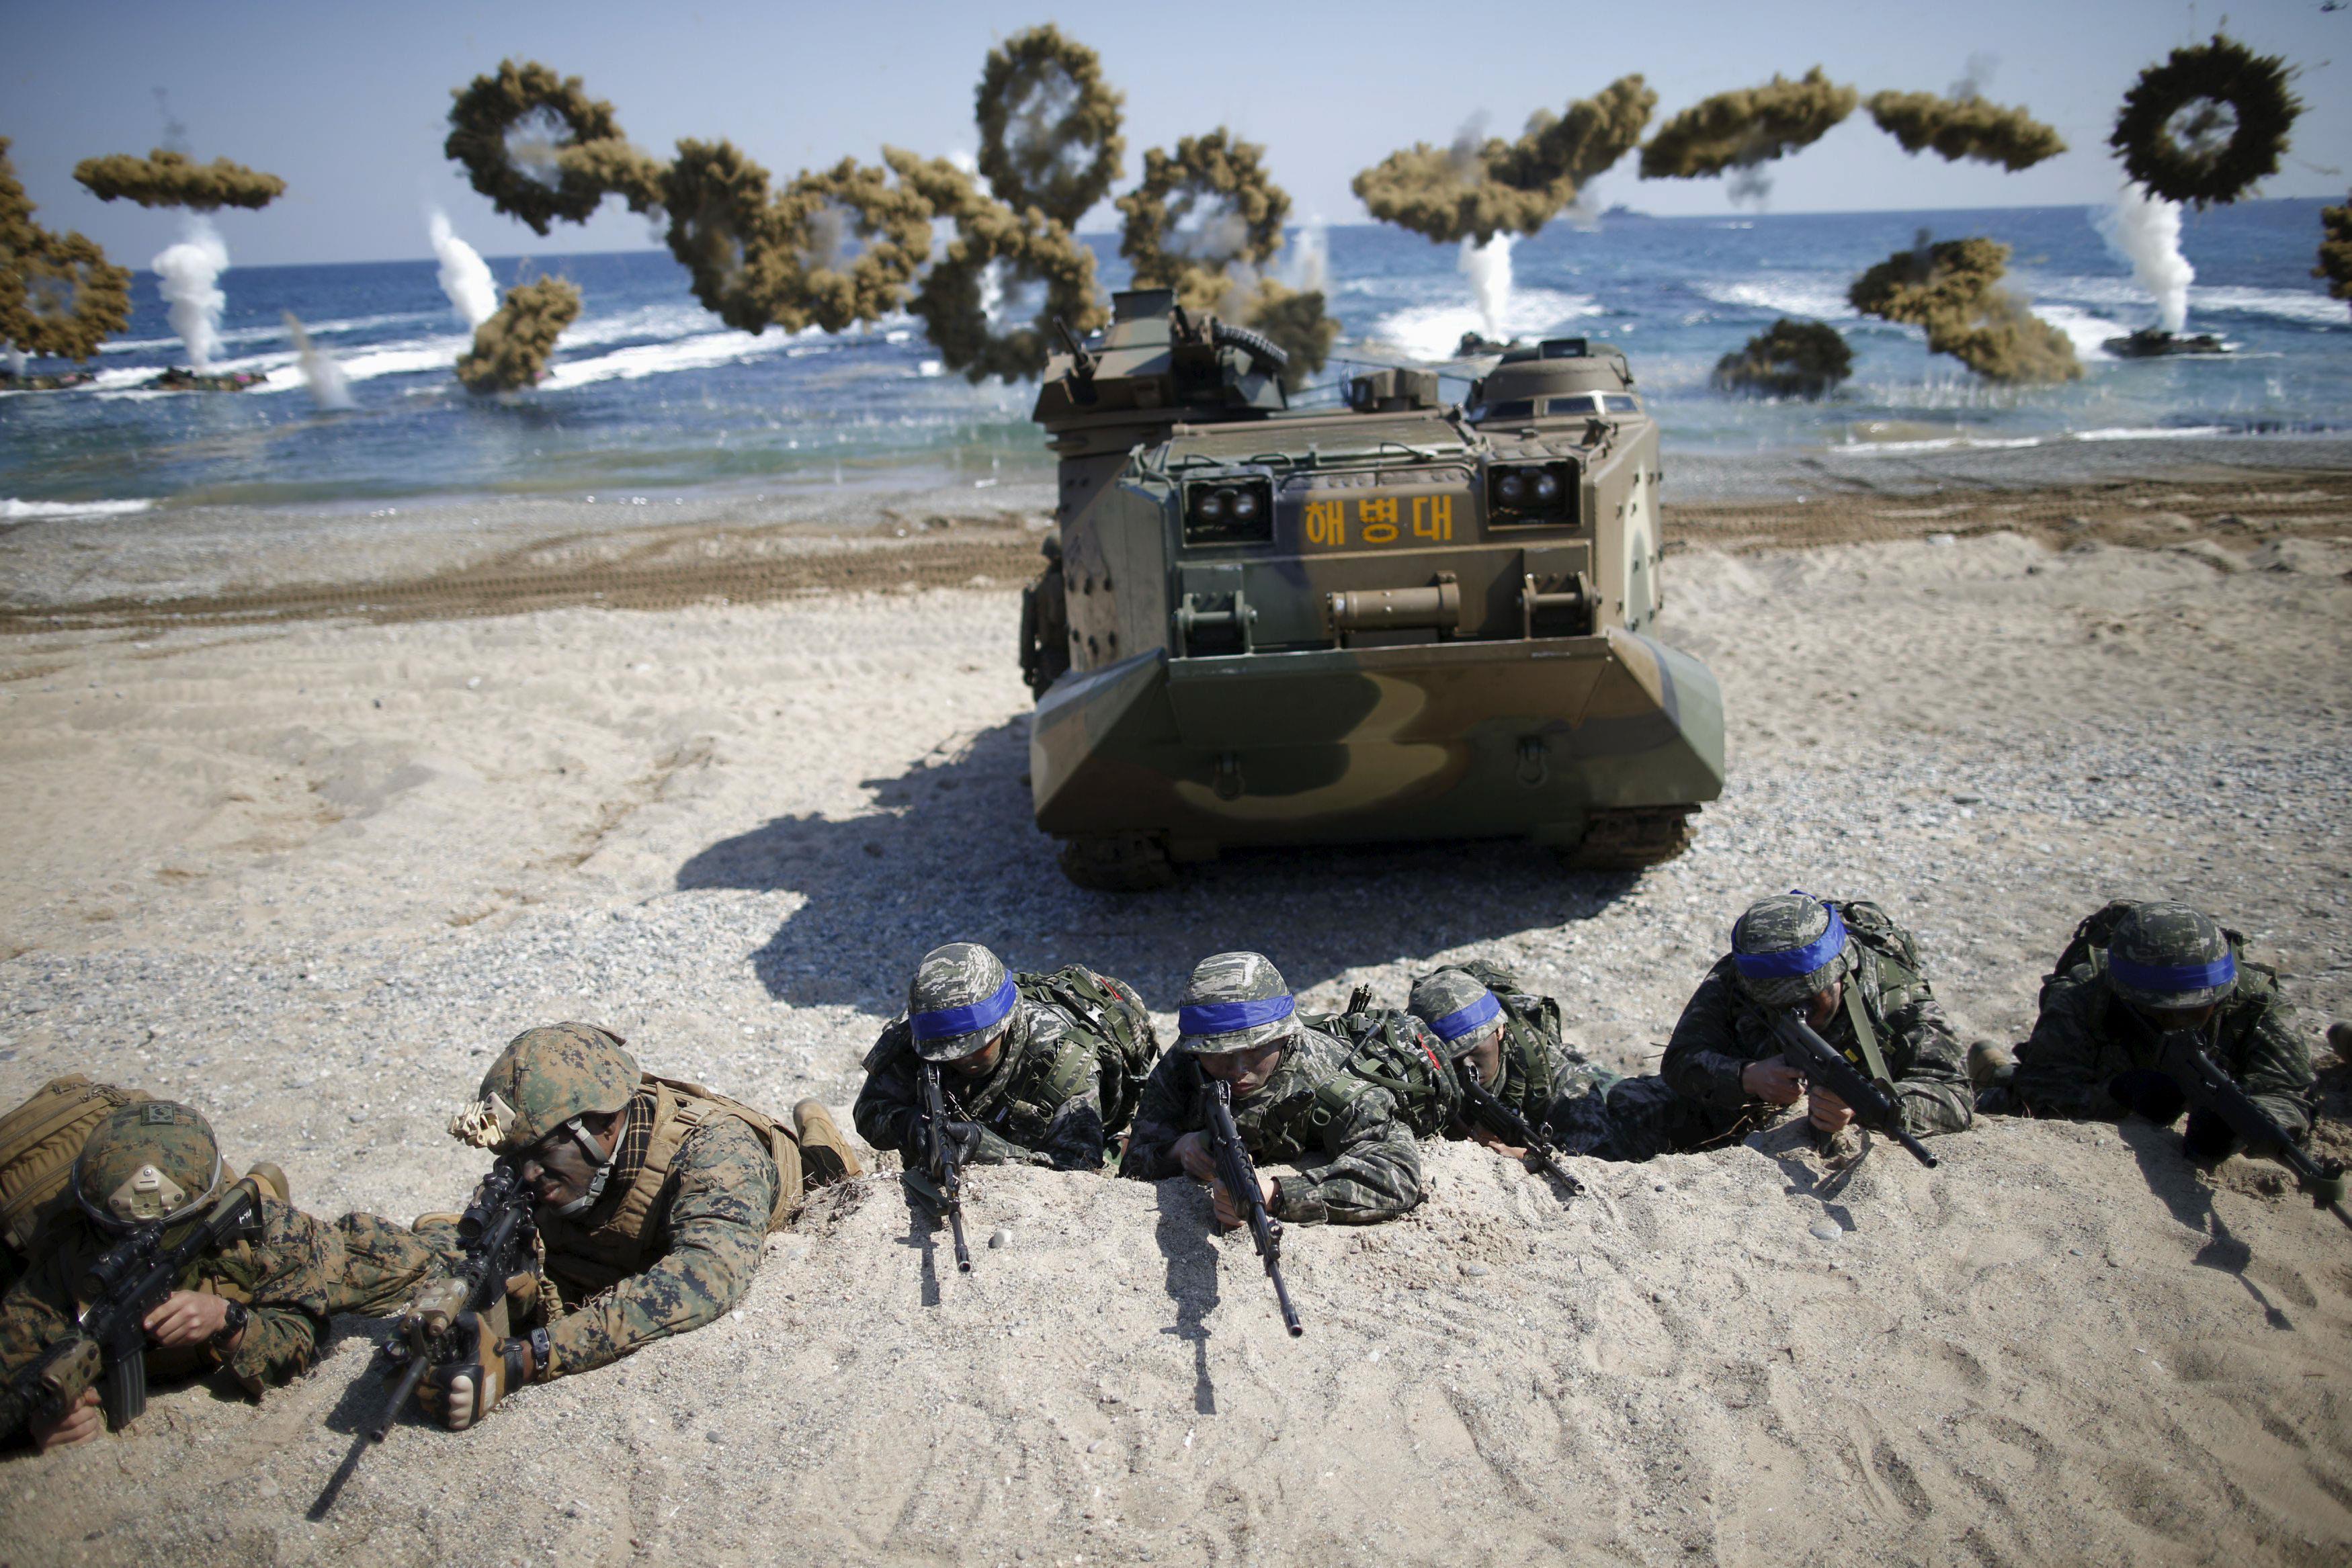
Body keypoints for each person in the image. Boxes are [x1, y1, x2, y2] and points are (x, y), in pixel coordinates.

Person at [415, 1022, 860, 1432]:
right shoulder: (551, 1169)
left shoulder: (720, 1153)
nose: (528, 1174)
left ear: (604, 1126)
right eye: (514, 1158)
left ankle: (816, 1124)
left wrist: (524, 1358)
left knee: (829, 1170)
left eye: (542, 1152)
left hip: (791, 1179)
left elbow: (707, 1277)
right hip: (617, 1245)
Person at [0, 1100, 448, 1453]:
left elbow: (301, 1333)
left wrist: (229, 1321)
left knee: (406, 1263)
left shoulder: (260, 1229)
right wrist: (41, 1425)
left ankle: (269, 1185)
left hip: (251, 1251)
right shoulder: (60, 1270)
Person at [2003, 902, 2321, 1169]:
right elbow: (2041, 1086)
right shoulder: (2084, 995)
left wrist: (2234, 1130)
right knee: (2001, 1096)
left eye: (2196, 1010)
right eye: (2159, 1009)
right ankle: (1993, 1069)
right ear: (2125, 994)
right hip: (2105, 1088)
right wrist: (2116, 1094)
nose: (2177, 1022)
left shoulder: (2258, 1005)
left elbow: (2291, 1095)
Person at [1120, 952, 1422, 1225]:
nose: (1238, 1070)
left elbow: (1398, 1176)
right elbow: (1134, 1159)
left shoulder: (1328, 1079)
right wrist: (1180, 1150)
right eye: (1221, 1054)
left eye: (1255, 1050)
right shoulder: (1188, 1060)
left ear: (1284, 1036)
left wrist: (1275, 1195)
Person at [1661, 892, 1974, 1154]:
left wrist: (1866, 1109)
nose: (1796, 1013)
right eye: (1774, 1002)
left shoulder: (1898, 1000)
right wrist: (1748, 1077)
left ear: (1841, 974)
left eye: (1807, 1000)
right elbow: (1679, 1061)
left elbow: (1955, 1097)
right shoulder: (1739, 976)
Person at [853, 942, 1159, 1172]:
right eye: (943, 1052)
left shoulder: (1064, 1064)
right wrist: (910, 1126)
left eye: (972, 1046)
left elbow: (1080, 1175)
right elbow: (868, 1112)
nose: (957, 1059)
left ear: (1006, 1024)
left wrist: (989, 1150)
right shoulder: (926, 1033)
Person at [1406, 965, 1713, 1163]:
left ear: (1500, 1030)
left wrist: (1519, 1156)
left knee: (1657, 1111)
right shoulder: (1415, 1060)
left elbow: (1598, 1163)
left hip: (1593, 1093)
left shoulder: (1552, 1077)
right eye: (1451, 1057)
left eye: (1474, 1050)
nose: (1467, 1066)